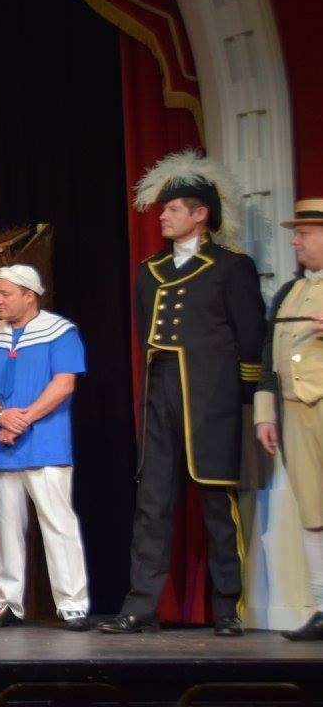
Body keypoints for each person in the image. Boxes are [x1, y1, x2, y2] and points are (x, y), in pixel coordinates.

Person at [102, 151, 266, 636]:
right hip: (160, 390)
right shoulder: (150, 271)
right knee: (151, 502)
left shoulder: (230, 267)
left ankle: (227, 608)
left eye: (174, 209)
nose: (163, 216)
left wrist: (244, 396)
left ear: (200, 214)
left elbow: (250, 334)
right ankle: (140, 606)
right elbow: (143, 332)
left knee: (218, 503)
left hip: (211, 396)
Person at [0, 265, 91, 630]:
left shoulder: (59, 333)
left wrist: (23, 419)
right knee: (6, 526)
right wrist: (1, 414)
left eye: (5, 294)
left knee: (58, 523)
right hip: (2, 444)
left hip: (46, 444)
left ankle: (72, 602)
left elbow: (64, 384)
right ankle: (7, 601)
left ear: (29, 296)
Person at [255, 198, 323, 640]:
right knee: (313, 511)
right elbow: (267, 359)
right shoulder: (288, 293)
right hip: (296, 415)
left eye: (304, 233)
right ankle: (322, 607)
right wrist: (266, 413)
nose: (295, 241)